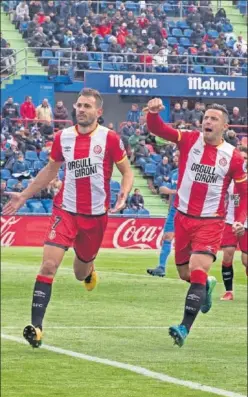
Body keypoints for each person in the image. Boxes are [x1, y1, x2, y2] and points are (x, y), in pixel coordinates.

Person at [3, 88, 134, 348]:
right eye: (79, 105)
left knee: (79, 272)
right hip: (65, 210)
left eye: (88, 106)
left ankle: (89, 268)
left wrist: (125, 192)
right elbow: (50, 170)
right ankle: (36, 327)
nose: (82, 109)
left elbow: (126, 171)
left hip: (95, 216)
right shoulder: (63, 137)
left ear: (99, 112)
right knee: (48, 266)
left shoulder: (109, 138)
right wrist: (24, 196)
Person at [145, 99, 247, 347]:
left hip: (210, 222)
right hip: (182, 217)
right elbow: (159, 130)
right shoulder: (189, 139)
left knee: (198, 269)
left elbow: (244, 193)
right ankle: (206, 288)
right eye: (206, 118)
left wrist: (241, 219)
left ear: (224, 126)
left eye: (214, 119)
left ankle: (184, 328)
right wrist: (153, 114)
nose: (208, 122)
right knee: (184, 273)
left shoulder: (232, 157)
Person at [220, 147, 248, 300]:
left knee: (246, 261)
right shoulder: (229, 178)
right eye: (241, 158)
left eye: (245, 158)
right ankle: (229, 291)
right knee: (227, 256)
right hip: (230, 221)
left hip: (246, 224)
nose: (243, 161)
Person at [147, 159, 178, 277]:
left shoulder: (190, 172)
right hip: (174, 210)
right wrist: (170, 208)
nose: (175, 158)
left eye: (177, 156)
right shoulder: (174, 172)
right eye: (174, 156)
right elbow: (164, 190)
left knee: (188, 241)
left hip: (187, 211)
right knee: (167, 237)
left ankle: (193, 268)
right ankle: (161, 267)